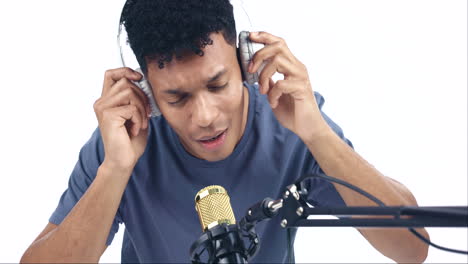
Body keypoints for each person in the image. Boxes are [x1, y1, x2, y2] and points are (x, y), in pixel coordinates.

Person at [21, 0, 430, 263]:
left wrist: (317, 134)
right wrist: (114, 170)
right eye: (177, 98)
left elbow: (413, 248)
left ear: (246, 62)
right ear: (144, 91)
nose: (205, 116)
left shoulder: (291, 125)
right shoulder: (123, 144)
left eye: (218, 85)